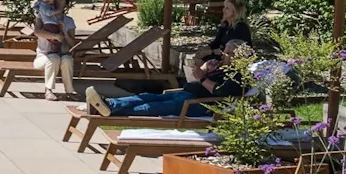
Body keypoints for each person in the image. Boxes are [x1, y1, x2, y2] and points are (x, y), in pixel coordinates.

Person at [93, 52, 247, 118]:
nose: (223, 55)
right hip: (187, 94)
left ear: (237, 56)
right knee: (147, 97)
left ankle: (110, 110)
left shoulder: (238, 75)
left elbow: (221, 92)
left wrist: (201, 78)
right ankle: (110, 103)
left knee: (153, 107)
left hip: (198, 104)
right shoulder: (223, 68)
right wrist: (205, 70)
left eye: (228, 53)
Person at [34, 0, 78, 100]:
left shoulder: (69, 20)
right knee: (53, 58)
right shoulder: (43, 15)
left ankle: (70, 91)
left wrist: (64, 32)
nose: (58, 0)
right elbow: (37, 32)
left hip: (62, 54)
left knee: (68, 59)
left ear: (66, 4)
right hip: (43, 56)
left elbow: (72, 43)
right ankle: (48, 91)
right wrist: (54, 36)